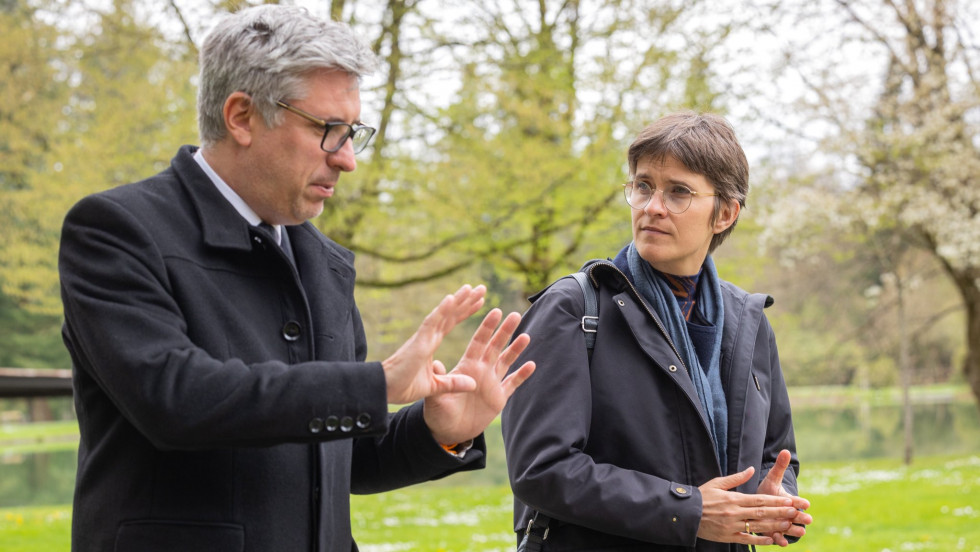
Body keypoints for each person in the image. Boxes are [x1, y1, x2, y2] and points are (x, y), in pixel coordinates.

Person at [58, 5, 535, 552]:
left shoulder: (326, 263)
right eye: (329, 130)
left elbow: (333, 454)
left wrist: (439, 431)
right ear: (241, 116)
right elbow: (175, 400)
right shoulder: (116, 230)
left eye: (353, 132)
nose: (349, 160)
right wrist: (377, 384)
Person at [502, 112, 813, 551]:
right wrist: (689, 511)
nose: (652, 207)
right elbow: (541, 469)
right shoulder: (572, 308)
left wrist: (771, 498)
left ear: (725, 213)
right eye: (644, 186)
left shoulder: (750, 322)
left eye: (678, 192)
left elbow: (776, 454)